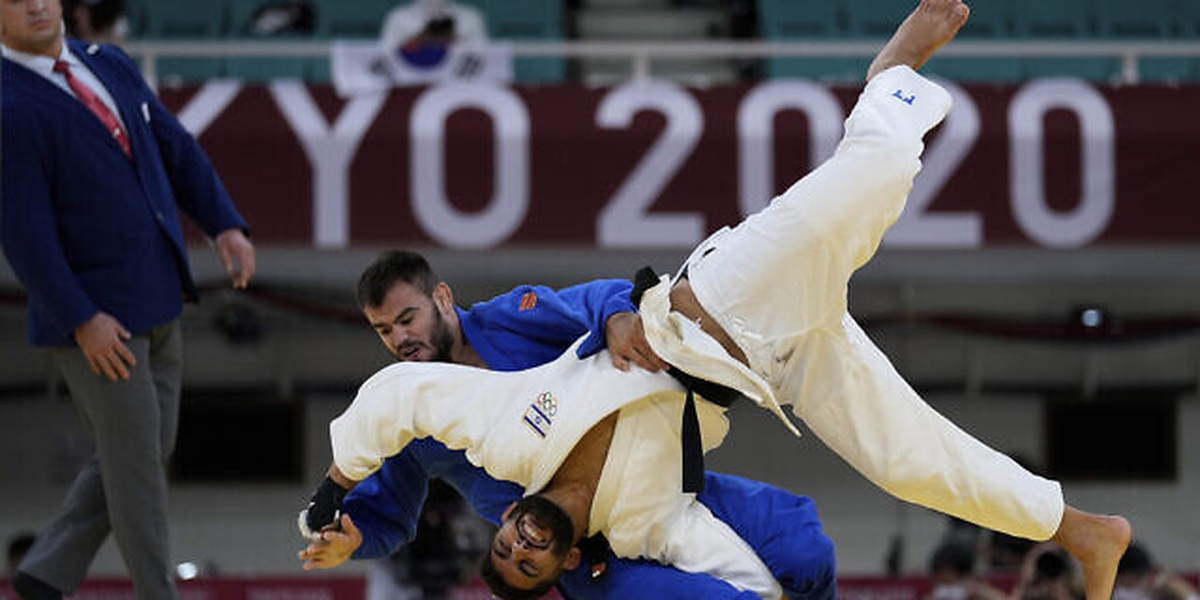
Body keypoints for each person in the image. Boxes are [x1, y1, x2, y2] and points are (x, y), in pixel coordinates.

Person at [308, 1, 1132, 598]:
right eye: (526, 563)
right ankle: (1079, 528)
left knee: (868, 183)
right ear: (554, 567)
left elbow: (396, 400)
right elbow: (739, 575)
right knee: (912, 464)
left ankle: (887, 84)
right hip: (770, 370)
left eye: (404, 318)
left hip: (716, 303)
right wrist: (351, 527)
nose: (521, 543)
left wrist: (332, 489)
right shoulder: (643, 528)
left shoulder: (503, 424)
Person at [297, 250, 835, 600]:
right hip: (585, 555)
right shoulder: (414, 415)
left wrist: (620, 318)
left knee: (808, 553)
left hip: (656, 486)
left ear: (441, 298)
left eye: (406, 319)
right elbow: (386, 509)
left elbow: (589, 301)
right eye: (383, 331)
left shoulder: (511, 315)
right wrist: (354, 539)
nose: (397, 340)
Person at [1, 0, 256, 597]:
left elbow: (173, 145)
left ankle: (45, 572)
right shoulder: (9, 107)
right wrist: (82, 318)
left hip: (160, 296)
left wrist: (223, 222)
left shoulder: (106, 61)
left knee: (141, 453)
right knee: (138, 469)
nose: (37, 4)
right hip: (98, 321)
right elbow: (23, 235)